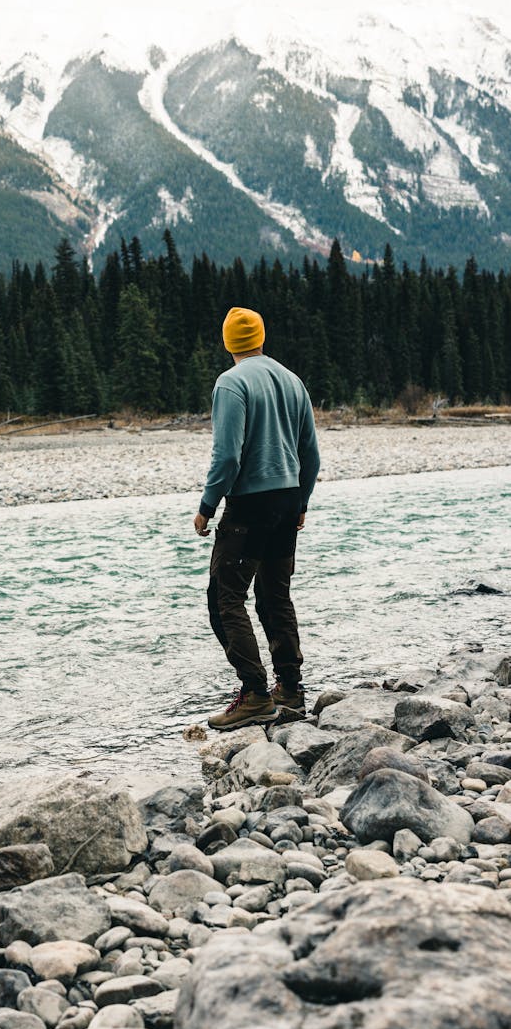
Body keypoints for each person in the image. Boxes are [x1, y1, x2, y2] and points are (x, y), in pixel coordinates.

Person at [194, 306, 320, 730]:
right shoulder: (292, 380)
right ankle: (291, 689)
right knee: (274, 596)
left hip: (250, 503)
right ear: (261, 337)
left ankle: (254, 694)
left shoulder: (230, 383)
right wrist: (301, 502)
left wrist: (207, 505)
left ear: (229, 343)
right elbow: (311, 455)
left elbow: (227, 455)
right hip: (286, 500)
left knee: (224, 599)